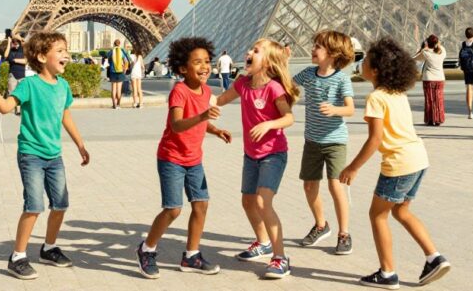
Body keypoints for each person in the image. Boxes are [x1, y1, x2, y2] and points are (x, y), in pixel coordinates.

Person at [339, 37, 451, 289]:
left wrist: (352, 167)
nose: (362, 63)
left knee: (377, 215)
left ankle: (387, 273)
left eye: (365, 61)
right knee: (400, 211)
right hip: (419, 159)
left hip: (399, 164)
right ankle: (434, 257)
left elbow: (375, 138)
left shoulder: (376, 98)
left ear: (376, 70)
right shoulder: (397, 93)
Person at [0, 31, 90, 281]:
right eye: (60, 51)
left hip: (55, 155)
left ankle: (48, 248)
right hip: (31, 154)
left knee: (61, 204)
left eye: (66, 50)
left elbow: (66, 116)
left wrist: (80, 145)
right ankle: (17, 256)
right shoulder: (30, 84)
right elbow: (6, 108)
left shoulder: (63, 86)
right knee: (34, 206)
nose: (66, 54)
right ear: (42, 56)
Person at [135, 37, 231, 279]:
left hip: (194, 159)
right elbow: (177, 125)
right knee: (173, 209)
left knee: (201, 205)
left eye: (207, 61)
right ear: (182, 68)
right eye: (197, 62)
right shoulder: (179, 91)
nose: (205, 66)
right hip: (171, 158)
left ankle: (191, 255)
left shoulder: (206, 89)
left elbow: (200, 119)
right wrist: (203, 117)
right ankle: (147, 249)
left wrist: (216, 130)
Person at [215, 39, 297, 279]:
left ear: (268, 61)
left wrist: (269, 124)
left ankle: (281, 257)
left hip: (273, 153)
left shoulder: (273, 88)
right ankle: (263, 242)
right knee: (248, 202)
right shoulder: (242, 83)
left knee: (262, 202)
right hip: (251, 155)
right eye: (250, 49)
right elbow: (219, 100)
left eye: (256, 51)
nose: (249, 52)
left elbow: (288, 118)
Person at [293, 30, 356, 255]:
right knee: (309, 185)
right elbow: (288, 85)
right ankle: (321, 225)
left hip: (335, 141)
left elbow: (350, 108)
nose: (313, 49)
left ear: (332, 54)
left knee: (335, 185)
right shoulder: (309, 74)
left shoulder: (341, 79)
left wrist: (334, 109)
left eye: (318, 46)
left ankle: (344, 233)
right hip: (312, 140)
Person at [413, 35, 446, 127]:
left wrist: (423, 48)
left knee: (429, 99)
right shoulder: (442, 51)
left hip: (429, 79)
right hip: (440, 78)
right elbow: (439, 47)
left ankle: (430, 119)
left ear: (428, 43)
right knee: (438, 99)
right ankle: (438, 119)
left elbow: (415, 58)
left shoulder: (425, 53)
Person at [107, 39, 131, 109]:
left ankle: (114, 104)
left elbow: (108, 58)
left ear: (114, 44)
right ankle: (118, 104)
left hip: (112, 72)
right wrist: (125, 69)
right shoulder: (122, 51)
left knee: (113, 89)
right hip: (120, 72)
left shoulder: (111, 51)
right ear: (119, 44)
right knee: (119, 89)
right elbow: (126, 61)